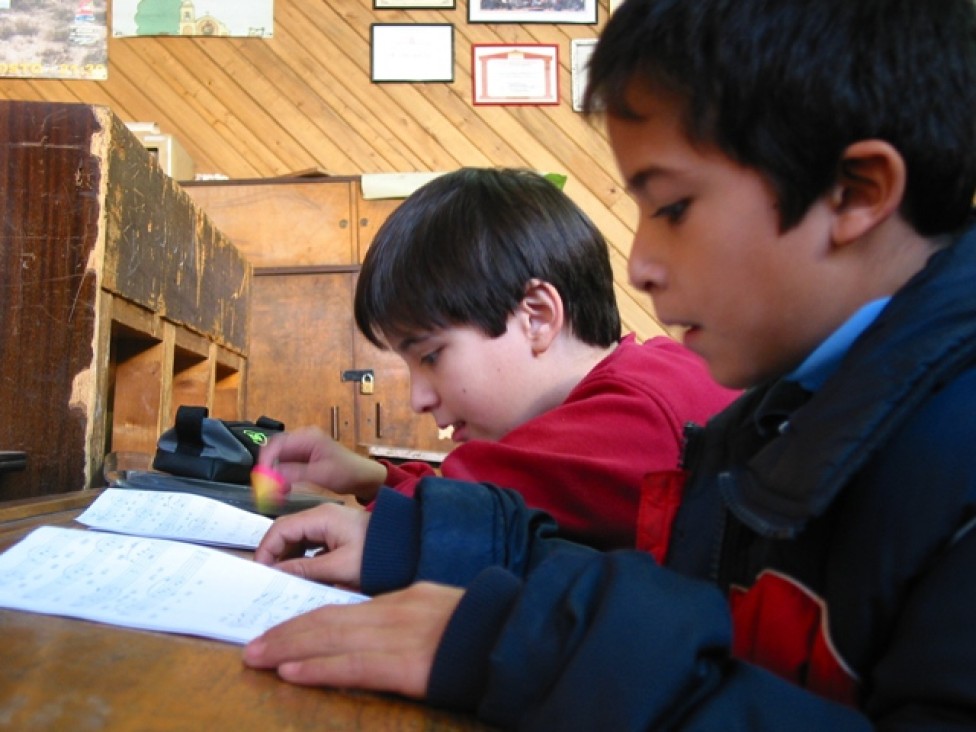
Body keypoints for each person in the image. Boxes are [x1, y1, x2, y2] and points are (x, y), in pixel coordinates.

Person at [243, 0, 976, 728]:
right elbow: (664, 600)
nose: (640, 265)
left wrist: (525, 649)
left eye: (674, 206)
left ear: (855, 193)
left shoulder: (948, 467)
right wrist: (420, 547)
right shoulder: (772, 418)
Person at [257, 167, 738, 553]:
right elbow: (498, 491)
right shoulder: (648, 375)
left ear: (536, 316)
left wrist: (379, 514)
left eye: (431, 355)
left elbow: (458, 512)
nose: (418, 398)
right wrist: (376, 476)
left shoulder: (634, 414)